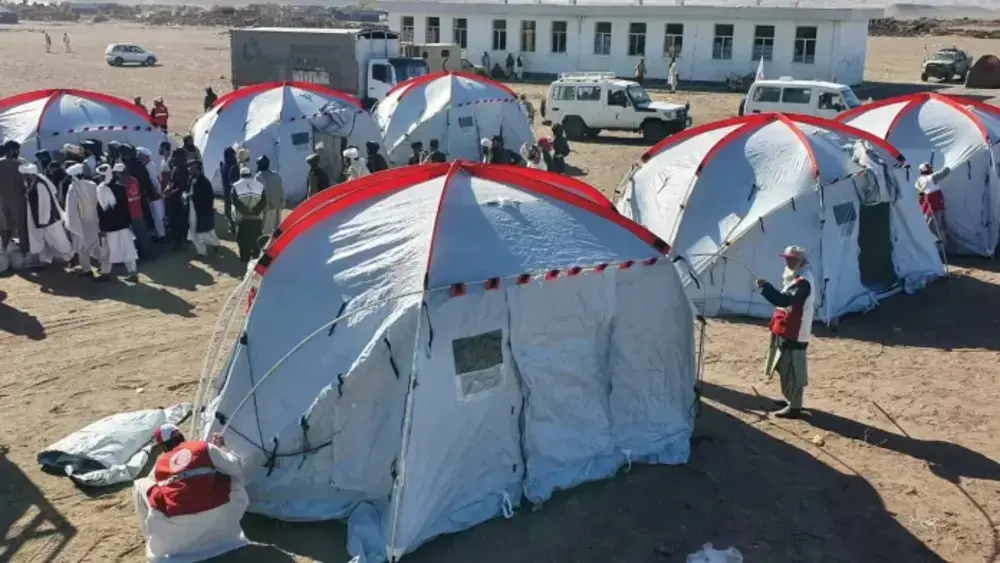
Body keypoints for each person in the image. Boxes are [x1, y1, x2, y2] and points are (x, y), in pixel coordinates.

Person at [132, 424, 249, 562]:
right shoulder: (203, 447)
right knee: (230, 474)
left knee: (140, 485)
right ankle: (230, 524)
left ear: (162, 447)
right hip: (217, 508)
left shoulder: (160, 464)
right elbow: (235, 466)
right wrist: (220, 449)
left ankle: (152, 535)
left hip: (178, 517)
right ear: (182, 436)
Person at [755, 246, 815, 419]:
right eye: (786, 258)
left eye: (791, 259)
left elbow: (784, 299)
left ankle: (795, 406)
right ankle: (791, 399)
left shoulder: (803, 282)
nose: (787, 262)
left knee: (793, 369)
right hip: (785, 328)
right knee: (783, 365)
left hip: (795, 331)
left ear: (801, 261)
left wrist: (766, 287)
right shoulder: (795, 278)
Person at [21, 162, 74, 267]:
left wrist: (44, 221)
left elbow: (44, 203)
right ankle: (45, 260)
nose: (24, 176)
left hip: (49, 219)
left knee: (59, 240)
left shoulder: (39, 185)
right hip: (43, 220)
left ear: (30, 174)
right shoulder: (34, 183)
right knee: (48, 241)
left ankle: (72, 257)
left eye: (25, 174)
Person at [95, 163, 139, 281]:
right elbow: (125, 208)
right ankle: (132, 273)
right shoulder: (120, 188)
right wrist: (128, 223)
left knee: (107, 251)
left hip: (109, 227)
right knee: (127, 249)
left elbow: (103, 211)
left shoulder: (101, 189)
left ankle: (106, 273)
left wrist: (102, 228)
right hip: (122, 225)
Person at [63, 163, 101, 276]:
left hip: (81, 222)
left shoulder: (72, 188)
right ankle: (105, 264)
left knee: (83, 248)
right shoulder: (93, 184)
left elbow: (71, 209)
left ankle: (86, 269)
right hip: (94, 219)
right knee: (94, 244)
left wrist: (71, 223)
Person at [116, 157, 155, 260]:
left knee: (140, 234)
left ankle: (146, 254)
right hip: (138, 211)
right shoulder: (134, 180)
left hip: (132, 213)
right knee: (141, 233)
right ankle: (145, 252)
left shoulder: (124, 184)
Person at [231, 166, 267, 267]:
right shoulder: (260, 185)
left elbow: (235, 201)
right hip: (257, 218)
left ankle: (244, 258)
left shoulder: (235, 186)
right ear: (251, 174)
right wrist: (255, 211)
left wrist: (246, 212)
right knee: (256, 237)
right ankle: (256, 256)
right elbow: (264, 201)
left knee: (243, 239)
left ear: (241, 175)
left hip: (242, 219)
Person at [0, 141, 28, 258]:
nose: (18, 153)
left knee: (4, 227)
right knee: (22, 227)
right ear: (12, 151)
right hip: (17, 201)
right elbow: (24, 184)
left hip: (2, 202)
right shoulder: (19, 164)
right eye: (17, 150)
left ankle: (4, 251)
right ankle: (24, 253)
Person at [187, 161, 220, 257]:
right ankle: (201, 252)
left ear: (198, 170)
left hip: (202, 211)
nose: (190, 171)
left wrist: (191, 196)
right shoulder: (190, 179)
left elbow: (206, 198)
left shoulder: (205, 182)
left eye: (192, 169)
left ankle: (216, 243)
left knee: (206, 232)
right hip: (192, 209)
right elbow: (188, 191)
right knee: (194, 232)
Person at [916, 162, 951, 253]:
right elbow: (946, 170)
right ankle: (938, 249)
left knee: (933, 227)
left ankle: (938, 249)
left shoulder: (920, 180)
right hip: (932, 205)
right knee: (934, 227)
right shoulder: (931, 177)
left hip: (931, 205)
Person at [162, 149, 190, 250]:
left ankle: (180, 242)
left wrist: (171, 192)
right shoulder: (175, 169)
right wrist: (167, 188)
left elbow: (182, 187)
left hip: (180, 200)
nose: (173, 158)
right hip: (173, 199)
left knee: (180, 221)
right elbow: (171, 181)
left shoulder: (184, 171)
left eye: (175, 157)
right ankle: (176, 240)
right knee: (173, 221)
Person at [137, 147, 166, 241]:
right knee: (155, 214)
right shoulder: (147, 165)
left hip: (154, 193)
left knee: (157, 215)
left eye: (140, 155)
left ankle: (162, 234)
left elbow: (154, 180)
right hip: (152, 193)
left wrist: (158, 192)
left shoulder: (149, 166)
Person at [254, 155, 283, 237]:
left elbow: (261, 193)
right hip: (277, 205)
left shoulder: (259, 176)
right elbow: (281, 190)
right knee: (277, 228)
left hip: (267, 207)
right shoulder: (276, 175)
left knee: (267, 231)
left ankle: (268, 248)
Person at [219, 147, 239, 233]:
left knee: (228, 209)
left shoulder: (225, 165)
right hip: (235, 190)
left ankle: (231, 225)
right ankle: (234, 225)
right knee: (235, 208)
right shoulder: (235, 165)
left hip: (227, 190)